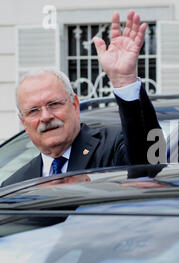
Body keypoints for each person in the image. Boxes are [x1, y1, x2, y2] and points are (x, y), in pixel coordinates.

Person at [1, 10, 163, 187]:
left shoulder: (113, 146)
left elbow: (151, 164)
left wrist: (125, 82)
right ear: (24, 123)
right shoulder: (15, 185)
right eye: (33, 110)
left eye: (54, 104)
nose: (45, 116)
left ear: (75, 105)